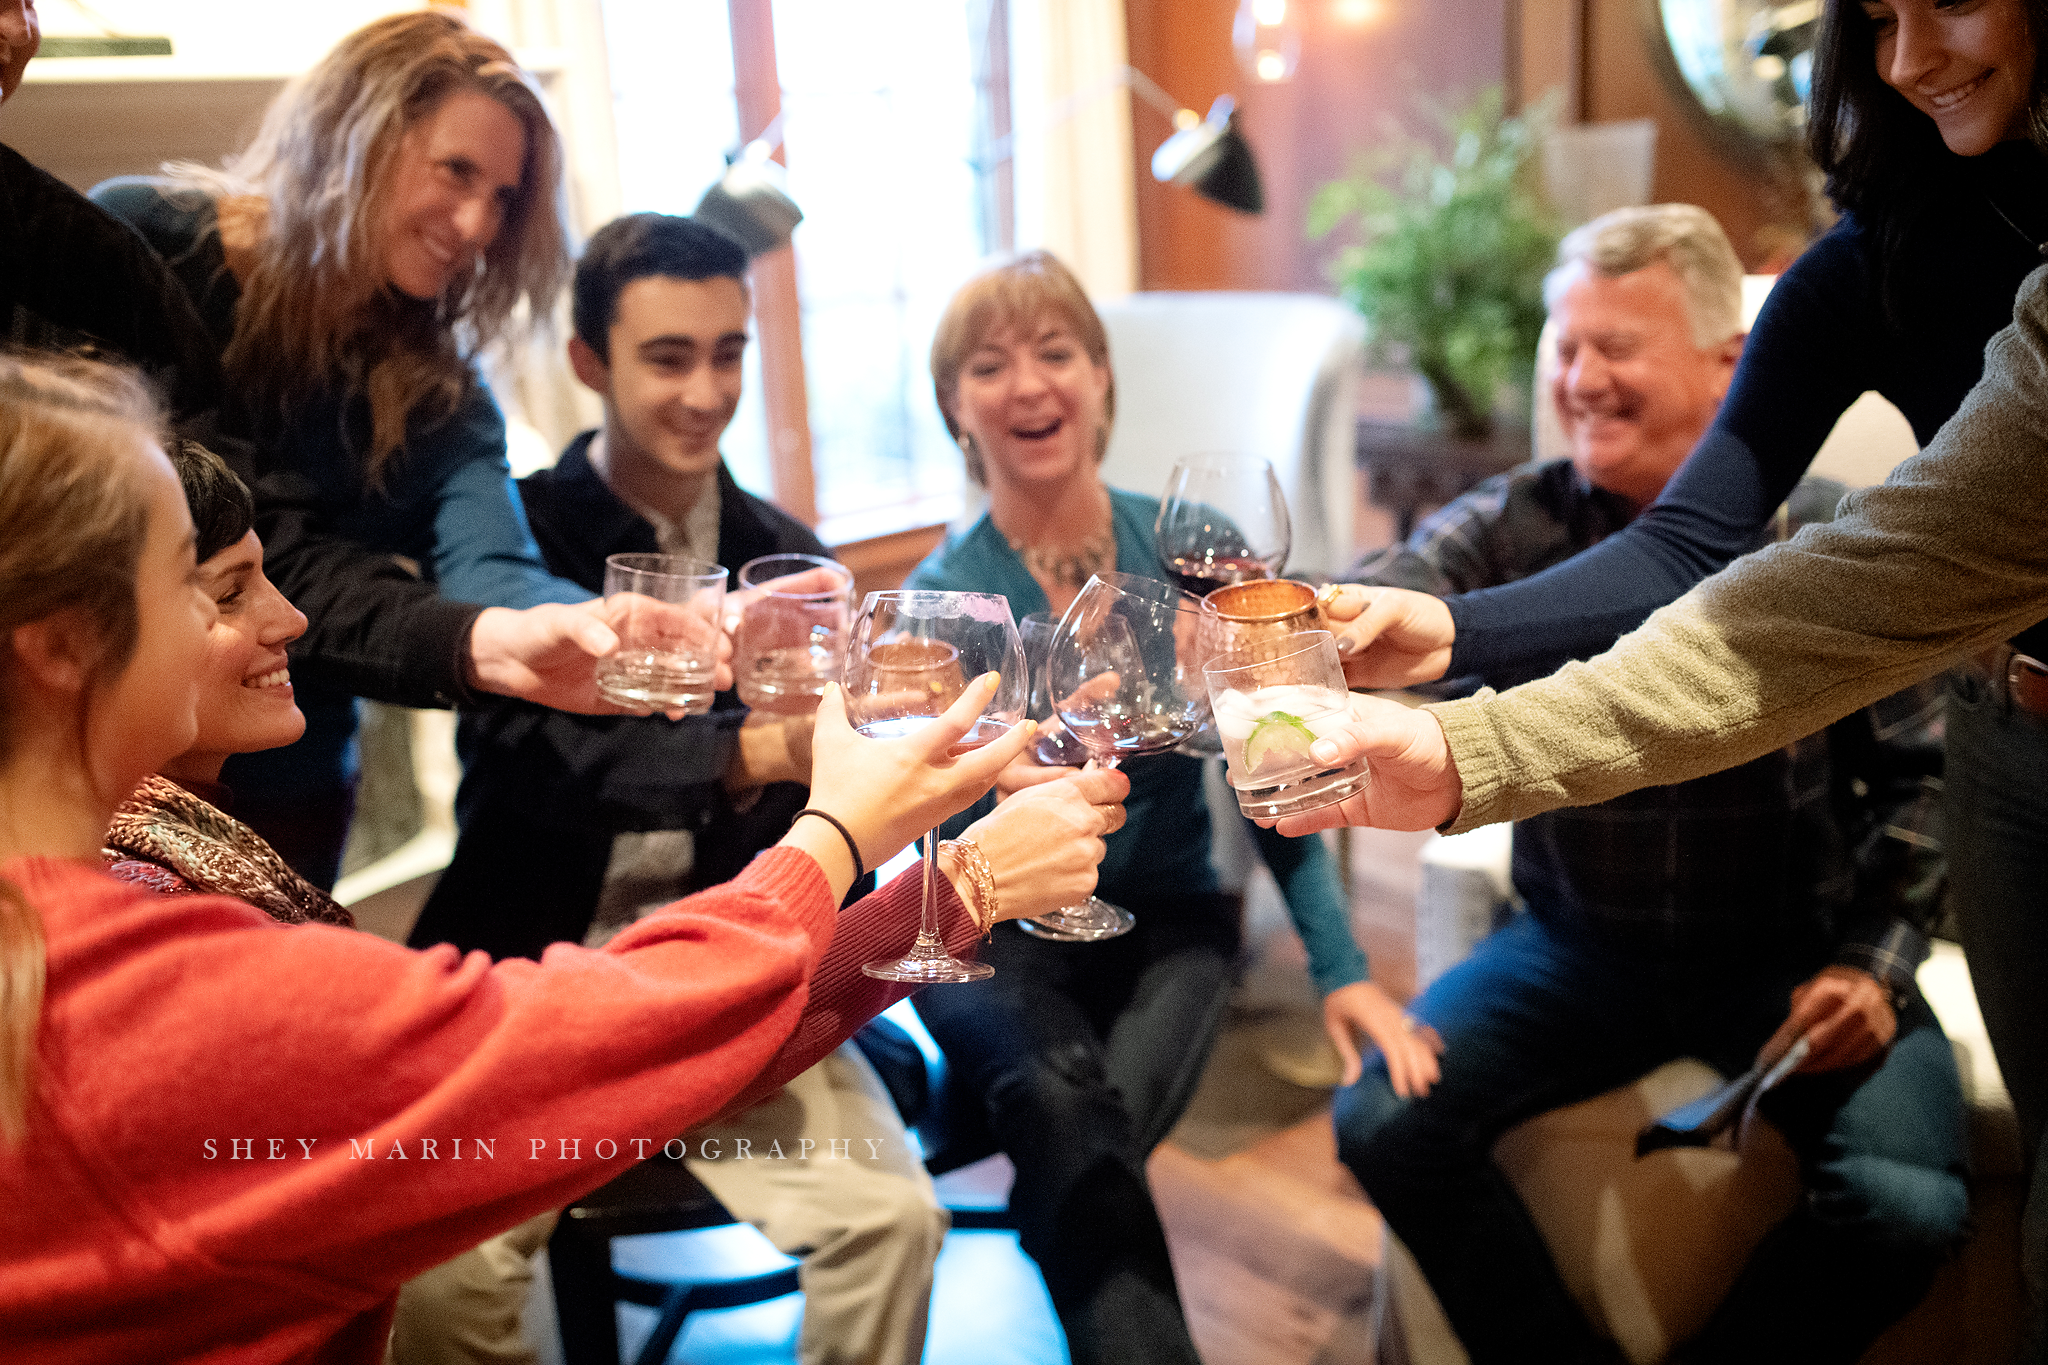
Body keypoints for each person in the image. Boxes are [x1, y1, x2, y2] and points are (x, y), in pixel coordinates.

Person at [0, 349, 1124, 1361]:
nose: (296, 618)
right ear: (59, 647)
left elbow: (661, 1040)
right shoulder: (147, 983)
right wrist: (862, 842)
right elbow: (603, 1044)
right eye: (207, 584)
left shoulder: (135, 863)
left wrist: (947, 875)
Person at [1315, 0, 2048, 1344]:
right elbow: (1674, 554)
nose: (1903, 59)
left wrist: (1878, 962)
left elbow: (1856, 619)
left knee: (1903, 1199)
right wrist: (1424, 632)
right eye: (1874, 16)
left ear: (1723, 359)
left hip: (1784, 952)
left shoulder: (1837, 532)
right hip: (1613, 934)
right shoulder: (1867, 263)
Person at [402, 214, 962, 1365]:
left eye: (728, 351)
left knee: (894, 1220)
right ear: (587, 362)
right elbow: (530, 759)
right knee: (437, 1282)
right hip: (532, 984)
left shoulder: (786, 554)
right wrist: (750, 752)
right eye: (668, 356)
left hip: (726, 984)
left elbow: (834, 797)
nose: (707, 391)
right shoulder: (513, 541)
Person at [899, 249, 1430, 1365]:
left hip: (1165, 921)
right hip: (994, 935)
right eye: (989, 365)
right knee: (1068, 1126)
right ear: (954, 406)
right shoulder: (937, 601)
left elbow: (1275, 768)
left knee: (1071, 1141)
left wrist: (1338, 970)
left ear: (1099, 380)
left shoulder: (1185, 561)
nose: (1030, 384)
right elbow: (915, 828)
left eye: (1057, 352)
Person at [92, 10, 606, 887]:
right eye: (456, 171)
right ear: (356, 135)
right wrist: (491, 636)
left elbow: (491, 561)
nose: (480, 222)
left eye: (505, 197)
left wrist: (594, 624)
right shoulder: (148, 244)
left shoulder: (435, 378)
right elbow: (259, 551)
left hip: (297, 774)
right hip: (112, 768)